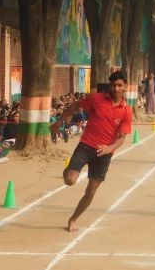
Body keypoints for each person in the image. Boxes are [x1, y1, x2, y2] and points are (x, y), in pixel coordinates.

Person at [52, 71, 133, 232]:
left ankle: (73, 219)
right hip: (86, 146)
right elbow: (76, 105)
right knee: (70, 180)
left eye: (119, 85)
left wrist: (109, 148)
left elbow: (121, 138)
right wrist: (59, 122)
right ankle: (68, 170)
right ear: (110, 85)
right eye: (113, 85)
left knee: (91, 191)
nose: (116, 88)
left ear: (125, 87)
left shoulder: (126, 111)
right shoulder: (96, 99)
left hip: (104, 154)